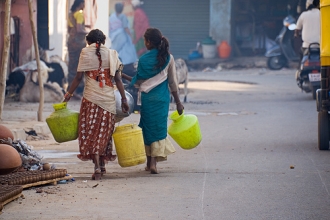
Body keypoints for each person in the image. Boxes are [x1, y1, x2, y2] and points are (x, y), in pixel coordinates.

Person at [63, 29, 130, 180]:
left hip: (90, 100)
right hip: (108, 100)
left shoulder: (85, 53)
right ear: (104, 41)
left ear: (88, 41)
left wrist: (68, 95)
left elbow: (78, 78)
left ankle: (97, 166)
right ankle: (102, 165)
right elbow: (118, 80)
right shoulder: (112, 54)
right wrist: (124, 100)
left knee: (92, 131)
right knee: (104, 132)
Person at [122, 27, 184, 174]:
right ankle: (154, 163)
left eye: (145, 40)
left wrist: (122, 76)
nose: (144, 42)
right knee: (158, 128)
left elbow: (138, 82)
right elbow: (173, 82)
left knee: (147, 127)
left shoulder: (143, 60)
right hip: (162, 100)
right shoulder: (169, 58)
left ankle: (150, 162)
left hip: (148, 99)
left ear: (149, 42)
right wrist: (178, 102)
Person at [67, 0, 88, 98]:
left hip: (71, 42)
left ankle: (70, 90)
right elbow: (79, 29)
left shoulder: (71, 14)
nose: (84, 6)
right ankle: (77, 90)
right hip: (78, 44)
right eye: (84, 4)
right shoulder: (80, 14)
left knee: (72, 66)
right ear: (81, 4)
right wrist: (88, 32)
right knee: (80, 67)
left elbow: (69, 29)